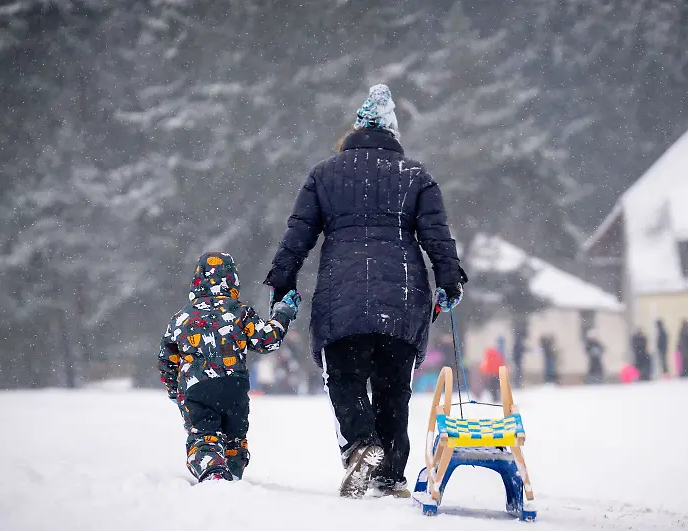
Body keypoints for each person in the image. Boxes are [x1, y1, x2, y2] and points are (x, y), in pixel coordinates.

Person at [263, 84, 467, 499]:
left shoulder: (324, 174)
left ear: (353, 133)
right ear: (393, 135)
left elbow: (297, 234)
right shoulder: (416, 175)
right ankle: (390, 474)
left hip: (343, 293)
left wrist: (283, 280)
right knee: (394, 386)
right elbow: (438, 238)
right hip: (404, 296)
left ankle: (361, 445)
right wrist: (449, 280)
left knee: (344, 376)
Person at [158, 252, 300, 482]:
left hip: (197, 389)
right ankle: (232, 473)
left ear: (197, 281)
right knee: (234, 438)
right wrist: (282, 314)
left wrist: (175, 391)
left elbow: (167, 360)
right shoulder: (240, 312)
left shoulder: (181, 318)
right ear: (232, 279)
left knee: (204, 436)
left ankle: (213, 471)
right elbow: (267, 340)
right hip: (234, 387)